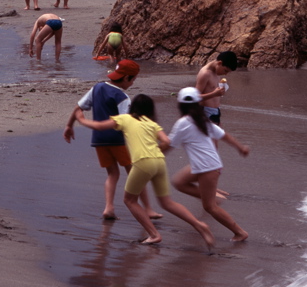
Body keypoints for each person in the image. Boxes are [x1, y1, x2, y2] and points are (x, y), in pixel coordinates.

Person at [75, 93, 214, 250]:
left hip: (143, 162)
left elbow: (99, 126)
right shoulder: (152, 123)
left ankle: (154, 235)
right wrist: (154, 150)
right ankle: (199, 224)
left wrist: (81, 119)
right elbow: (166, 141)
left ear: (133, 107)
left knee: (129, 200)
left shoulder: (125, 118)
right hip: (159, 161)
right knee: (167, 202)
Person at [63, 59, 158, 221]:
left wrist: (69, 125)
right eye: (133, 79)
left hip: (99, 139)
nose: (133, 83)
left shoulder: (97, 87)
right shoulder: (122, 97)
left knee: (112, 174)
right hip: (118, 140)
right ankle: (148, 209)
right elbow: (125, 122)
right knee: (136, 173)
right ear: (126, 78)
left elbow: (78, 107)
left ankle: (109, 207)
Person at [169, 87, 250, 242]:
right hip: (205, 165)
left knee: (209, 207)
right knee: (179, 182)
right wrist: (240, 147)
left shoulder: (183, 123)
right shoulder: (202, 120)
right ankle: (212, 196)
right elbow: (224, 135)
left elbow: (169, 144)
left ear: (180, 105)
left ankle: (240, 232)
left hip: (208, 168)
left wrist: (153, 153)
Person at [195, 51, 238, 124]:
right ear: (219, 63)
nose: (225, 74)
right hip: (206, 113)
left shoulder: (216, 71)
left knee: (221, 131)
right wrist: (214, 94)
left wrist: (220, 91)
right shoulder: (205, 74)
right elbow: (195, 97)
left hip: (216, 111)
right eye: (225, 71)